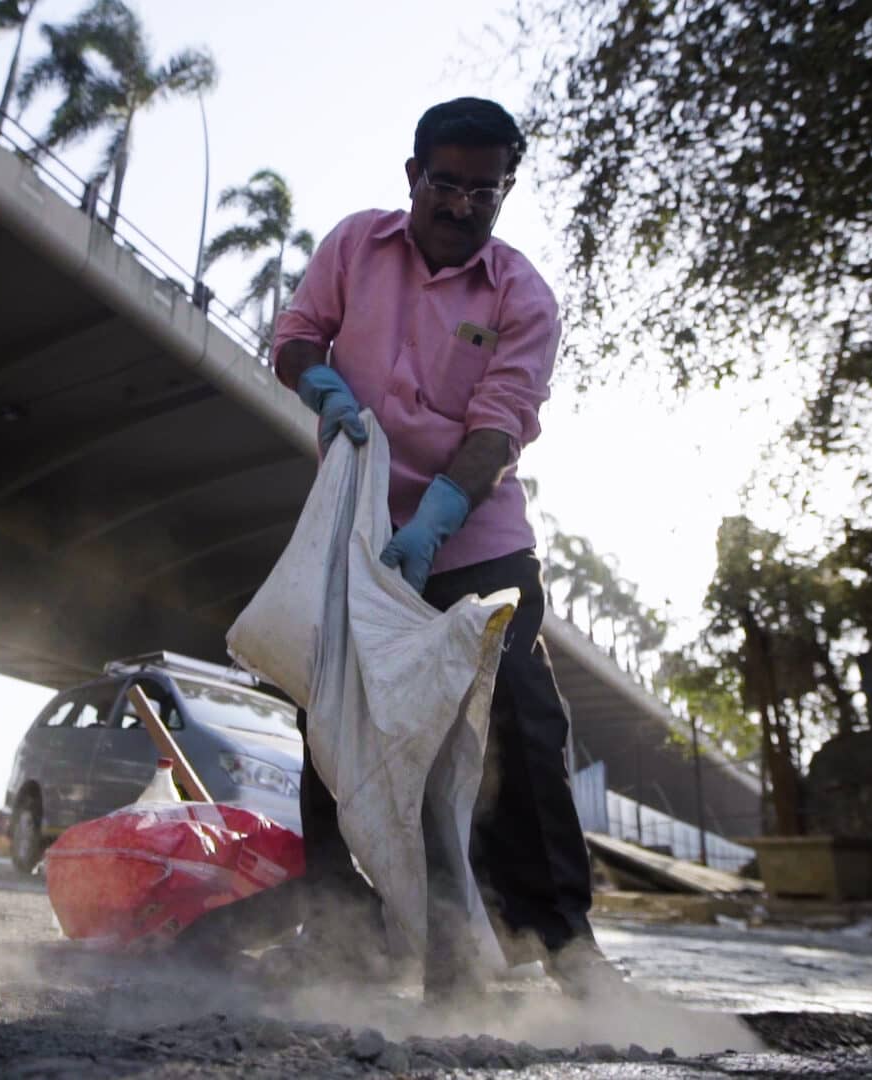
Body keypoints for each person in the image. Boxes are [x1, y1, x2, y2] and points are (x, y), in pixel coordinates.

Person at [270, 97, 615, 998]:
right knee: (334, 717)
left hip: (475, 536)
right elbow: (296, 337)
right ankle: (345, 936)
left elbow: (501, 429)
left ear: (504, 191)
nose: (464, 205)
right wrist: (324, 387)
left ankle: (563, 943)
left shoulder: (522, 297)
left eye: (486, 191)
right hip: (358, 528)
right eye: (448, 184)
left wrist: (435, 523)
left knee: (522, 721)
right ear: (415, 176)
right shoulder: (355, 246)